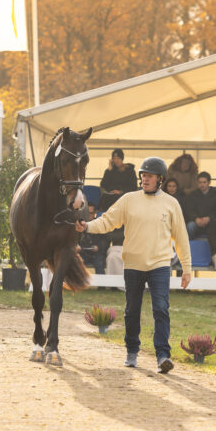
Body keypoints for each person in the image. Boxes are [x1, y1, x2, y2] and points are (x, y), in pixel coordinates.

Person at [75, 157, 192, 374]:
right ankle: (132, 352)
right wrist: (87, 226)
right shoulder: (128, 200)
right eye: (143, 175)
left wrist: (187, 269)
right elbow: (108, 221)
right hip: (133, 265)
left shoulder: (171, 204)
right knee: (132, 311)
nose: (145, 179)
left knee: (161, 309)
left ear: (160, 179)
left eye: (150, 176)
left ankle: (163, 356)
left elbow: (181, 238)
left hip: (160, 264)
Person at [185, 171, 216, 239]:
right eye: (200, 182)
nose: (202, 185)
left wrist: (209, 218)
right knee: (190, 226)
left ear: (209, 183)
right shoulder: (192, 195)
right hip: (197, 222)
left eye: (204, 182)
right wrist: (196, 219)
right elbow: (189, 210)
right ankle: (191, 247)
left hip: (211, 221)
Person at [78, 203, 108, 274]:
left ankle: (102, 285)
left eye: (91, 213)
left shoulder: (100, 224)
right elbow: (75, 239)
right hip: (83, 252)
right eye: (87, 212)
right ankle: (76, 284)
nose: (89, 215)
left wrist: (99, 247)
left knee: (99, 264)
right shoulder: (79, 225)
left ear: (95, 213)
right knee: (76, 263)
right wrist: (77, 246)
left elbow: (106, 240)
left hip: (97, 253)